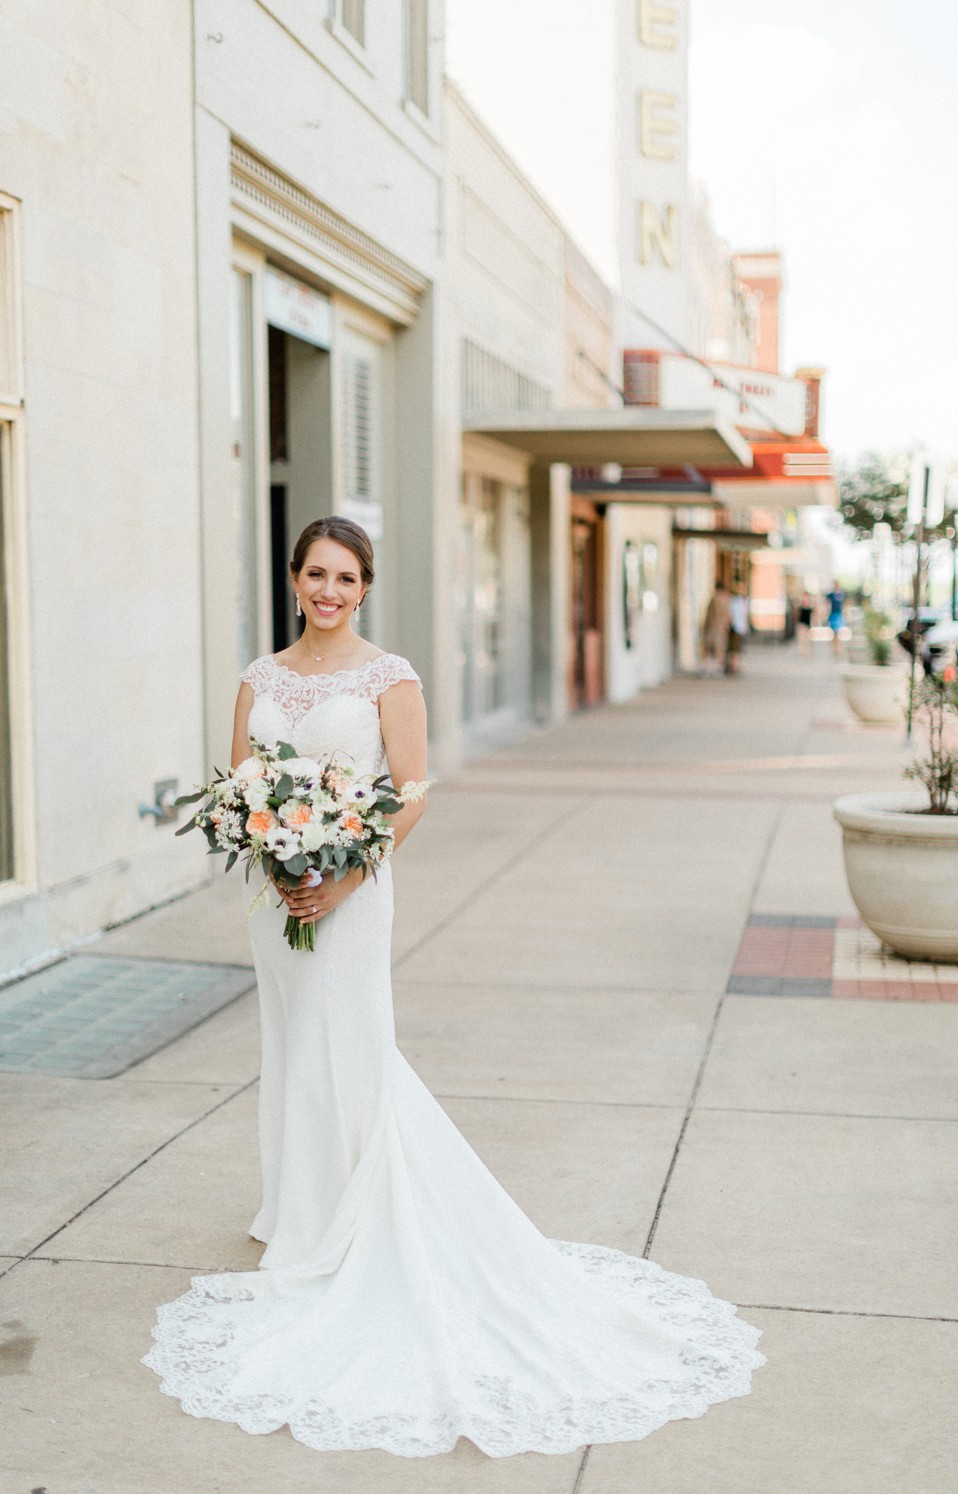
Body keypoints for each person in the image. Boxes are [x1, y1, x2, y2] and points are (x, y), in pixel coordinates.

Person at [142, 517, 762, 1456]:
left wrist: (342, 875)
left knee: (349, 1043)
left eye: (346, 578)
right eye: (316, 574)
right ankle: (299, 1209)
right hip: (279, 897)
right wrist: (276, 862)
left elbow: (412, 788)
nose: (329, 591)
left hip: (352, 890)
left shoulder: (388, 676)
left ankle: (350, 1219)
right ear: (294, 577)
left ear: (366, 586)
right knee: (290, 1044)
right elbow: (242, 784)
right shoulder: (258, 678)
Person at [701, 577, 732, 678]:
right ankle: (719, 669)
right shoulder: (727, 599)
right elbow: (728, 616)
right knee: (720, 649)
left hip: (712, 627)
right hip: (721, 628)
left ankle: (707, 668)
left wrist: (705, 626)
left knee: (708, 648)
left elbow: (709, 615)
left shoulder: (714, 599)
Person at [726, 586, 750, 675]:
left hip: (737, 627)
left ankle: (735, 666)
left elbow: (730, 615)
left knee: (735, 649)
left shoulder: (736, 602)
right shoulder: (740, 602)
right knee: (736, 649)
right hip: (738, 627)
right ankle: (735, 666)